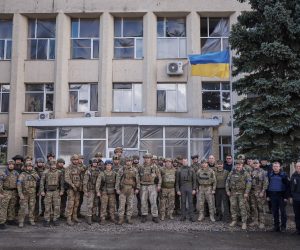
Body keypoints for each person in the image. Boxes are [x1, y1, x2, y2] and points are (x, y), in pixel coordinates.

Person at [226, 160, 252, 230]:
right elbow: (227, 182)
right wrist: (228, 190)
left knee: (242, 207)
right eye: (237, 164)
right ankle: (234, 220)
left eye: (240, 165)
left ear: (242, 165)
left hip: (242, 193)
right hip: (233, 192)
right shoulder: (232, 172)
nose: (238, 166)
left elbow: (249, 183)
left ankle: (244, 222)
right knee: (233, 206)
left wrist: (246, 192)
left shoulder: (245, 173)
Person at [115, 156, 140, 225]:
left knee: (130, 204)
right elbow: (118, 179)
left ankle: (129, 218)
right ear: (125, 162)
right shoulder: (121, 169)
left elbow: (137, 180)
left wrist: (137, 188)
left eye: (129, 161)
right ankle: (121, 218)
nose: (128, 162)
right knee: (121, 205)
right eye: (127, 161)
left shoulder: (135, 170)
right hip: (123, 189)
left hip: (131, 189)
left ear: (131, 162)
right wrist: (117, 189)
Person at [40, 160, 64, 227]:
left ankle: (55, 219)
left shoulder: (59, 172)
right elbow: (42, 182)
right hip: (48, 192)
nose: (53, 166)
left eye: (54, 165)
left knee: (56, 207)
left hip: (56, 191)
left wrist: (62, 190)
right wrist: (42, 191)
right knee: (47, 207)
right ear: (50, 165)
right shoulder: (45, 172)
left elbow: (62, 182)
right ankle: (47, 220)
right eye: (52, 165)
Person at [267, 161, 290, 232]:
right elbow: (267, 186)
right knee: (275, 212)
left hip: (281, 196)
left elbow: (288, 186)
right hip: (273, 196)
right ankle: (276, 226)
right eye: (274, 166)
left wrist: (286, 197)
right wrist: (268, 196)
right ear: (272, 167)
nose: (275, 168)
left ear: (279, 167)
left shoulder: (284, 175)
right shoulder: (270, 175)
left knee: (283, 212)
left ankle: (283, 227)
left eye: (277, 166)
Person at [139, 153, 161, 223]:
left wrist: (159, 185)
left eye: (148, 158)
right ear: (144, 159)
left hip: (152, 186)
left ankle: (155, 216)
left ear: (150, 159)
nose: (147, 159)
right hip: (143, 186)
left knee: (153, 201)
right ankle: (144, 215)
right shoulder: (141, 167)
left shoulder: (155, 167)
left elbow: (159, 177)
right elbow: (137, 177)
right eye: (145, 158)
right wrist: (138, 186)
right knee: (143, 201)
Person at [17, 162, 40, 228]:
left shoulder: (35, 173)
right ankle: (21, 221)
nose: (29, 167)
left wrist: (33, 174)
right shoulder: (22, 174)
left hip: (32, 194)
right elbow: (19, 184)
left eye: (31, 166)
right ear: (25, 167)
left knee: (32, 207)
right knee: (23, 208)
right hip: (24, 194)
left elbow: (38, 180)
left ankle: (31, 220)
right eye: (28, 166)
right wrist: (20, 194)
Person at [64, 154, 85, 226]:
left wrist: (81, 186)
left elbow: (82, 177)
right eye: (74, 160)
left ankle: (75, 217)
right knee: (70, 204)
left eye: (77, 160)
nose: (76, 161)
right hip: (71, 189)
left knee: (76, 204)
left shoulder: (79, 168)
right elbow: (67, 178)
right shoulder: (68, 168)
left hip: (78, 189)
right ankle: (68, 218)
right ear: (71, 160)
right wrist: (73, 186)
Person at [176, 157, 197, 222]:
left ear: (188, 162)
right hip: (182, 187)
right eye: (183, 161)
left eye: (186, 161)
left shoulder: (192, 169)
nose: (185, 162)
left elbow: (194, 180)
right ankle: (183, 216)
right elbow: (177, 181)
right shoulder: (179, 170)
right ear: (182, 162)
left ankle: (192, 216)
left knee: (191, 202)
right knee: (183, 202)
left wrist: (194, 189)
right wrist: (178, 190)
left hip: (190, 187)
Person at [249, 159, 268, 229]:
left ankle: (262, 222)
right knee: (254, 207)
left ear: (259, 164)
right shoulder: (251, 172)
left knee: (260, 207)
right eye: (254, 163)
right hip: (252, 192)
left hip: (260, 192)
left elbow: (266, 183)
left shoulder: (263, 172)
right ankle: (255, 221)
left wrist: (263, 192)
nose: (255, 164)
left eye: (257, 163)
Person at [96, 160, 117, 224]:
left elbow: (118, 181)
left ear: (111, 166)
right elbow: (98, 183)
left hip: (112, 192)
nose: (108, 166)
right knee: (103, 206)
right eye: (107, 165)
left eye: (110, 165)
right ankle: (102, 218)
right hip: (104, 192)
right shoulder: (102, 173)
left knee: (112, 205)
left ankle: (112, 217)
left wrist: (117, 189)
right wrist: (98, 191)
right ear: (105, 166)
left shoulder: (115, 173)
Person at [0, 160, 19, 229]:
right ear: (7, 165)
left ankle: (10, 219)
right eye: (9, 164)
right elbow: (0, 183)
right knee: (3, 207)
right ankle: (1, 222)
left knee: (12, 206)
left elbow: (18, 183)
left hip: (14, 192)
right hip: (5, 192)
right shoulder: (3, 173)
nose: (11, 165)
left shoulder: (16, 173)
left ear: (14, 165)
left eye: (12, 164)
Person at [83, 158, 101, 225]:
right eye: (93, 162)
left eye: (96, 162)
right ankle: (89, 217)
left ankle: (94, 216)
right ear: (91, 163)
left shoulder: (98, 170)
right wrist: (85, 191)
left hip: (97, 190)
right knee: (90, 204)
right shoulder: (88, 171)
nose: (95, 163)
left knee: (95, 203)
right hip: (90, 190)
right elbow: (85, 182)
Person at [290, 161, 300, 235]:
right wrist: (291, 196)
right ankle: (298, 229)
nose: (298, 168)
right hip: (296, 199)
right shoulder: (293, 176)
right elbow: (291, 187)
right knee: (297, 215)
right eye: (297, 166)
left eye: (299, 166)